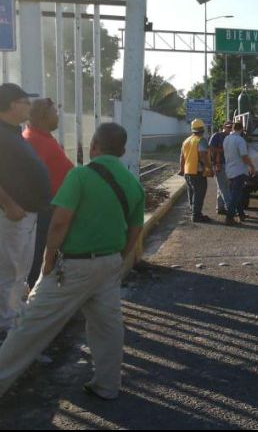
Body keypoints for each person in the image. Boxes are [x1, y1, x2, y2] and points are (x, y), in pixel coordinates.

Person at [0, 122, 145, 400]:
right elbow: (135, 230)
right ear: (123, 151)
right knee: (108, 327)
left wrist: (48, 261)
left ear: (93, 146)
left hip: (72, 267)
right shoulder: (133, 184)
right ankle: (107, 385)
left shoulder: (80, 175)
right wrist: (118, 260)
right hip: (109, 263)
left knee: (29, 327)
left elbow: (59, 223)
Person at [0, 83, 50, 341]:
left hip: (27, 214)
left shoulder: (14, 132)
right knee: (8, 272)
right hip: (12, 215)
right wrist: (8, 203)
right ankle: (5, 328)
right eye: (24, 101)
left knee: (20, 270)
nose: (29, 106)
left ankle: (13, 320)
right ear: (10, 105)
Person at [23, 98, 74, 288]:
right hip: (44, 211)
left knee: (44, 256)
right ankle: (36, 303)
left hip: (51, 208)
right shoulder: (33, 141)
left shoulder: (41, 137)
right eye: (55, 112)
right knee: (38, 258)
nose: (58, 116)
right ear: (45, 116)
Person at [180, 119, 212, 223]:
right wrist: (209, 167)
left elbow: (182, 157)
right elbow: (202, 155)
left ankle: (194, 212)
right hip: (197, 172)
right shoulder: (200, 140)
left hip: (187, 171)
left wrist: (182, 170)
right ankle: (196, 215)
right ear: (202, 129)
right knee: (199, 193)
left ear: (192, 130)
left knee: (192, 193)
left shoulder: (186, 140)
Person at [223, 121, 255, 226]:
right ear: (241, 129)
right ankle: (229, 218)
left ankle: (241, 214)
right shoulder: (240, 140)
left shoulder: (227, 139)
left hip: (230, 171)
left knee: (238, 194)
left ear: (233, 128)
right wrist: (251, 166)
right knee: (235, 195)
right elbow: (244, 156)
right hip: (239, 171)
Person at [209, 121, 233, 216]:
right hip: (219, 164)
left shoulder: (230, 137)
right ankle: (230, 209)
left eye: (231, 127)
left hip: (228, 164)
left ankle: (220, 208)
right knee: (224, 188)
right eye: (228, 127)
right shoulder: (217, 136)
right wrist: (222, 150)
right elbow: (210, 148)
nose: (230, 129)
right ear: (224, 126)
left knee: (222, 187)